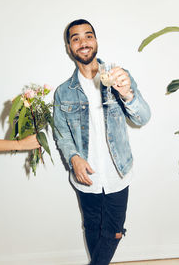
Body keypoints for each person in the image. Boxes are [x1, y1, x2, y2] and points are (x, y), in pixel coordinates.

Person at [53, 19, 151, 265]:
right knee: (93, 229)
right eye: (75, 38)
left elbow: (143, 118)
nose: (83, 42)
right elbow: (61, 132)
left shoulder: (118, 77)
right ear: (69, 47)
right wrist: (74, 158)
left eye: (88, 36)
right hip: (87, 179)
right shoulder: (63, 92)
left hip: (118, 173)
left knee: (114, 232)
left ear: (95, 41)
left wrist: (127, 93)